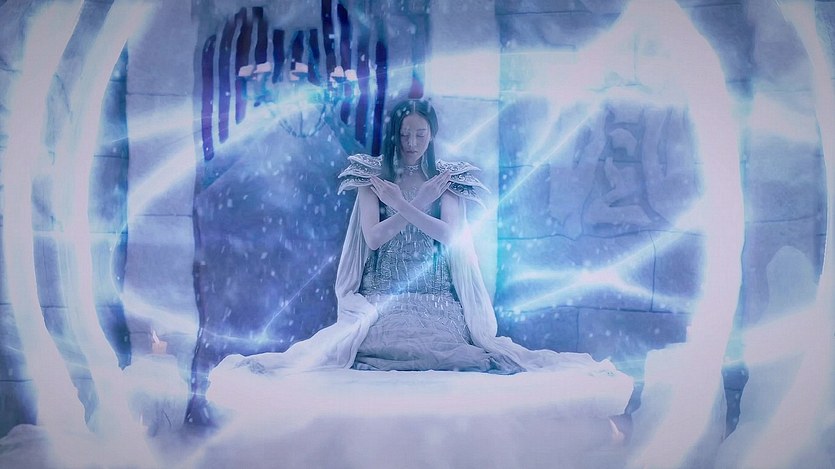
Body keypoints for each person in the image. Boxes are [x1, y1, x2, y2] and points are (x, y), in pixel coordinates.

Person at [225, 99, 616, 375]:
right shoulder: (374, 177)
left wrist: (410, 202)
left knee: (446, 351)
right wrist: (407, 201)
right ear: (395, 135)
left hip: (436, 299)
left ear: (432, 135)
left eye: (420, 134)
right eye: (405, 134)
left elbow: (449, 235)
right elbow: (373, 239)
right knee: (378, 344)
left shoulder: (446, 179)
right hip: (382, 297)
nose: (412, 143)